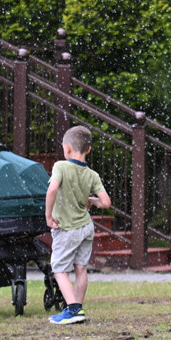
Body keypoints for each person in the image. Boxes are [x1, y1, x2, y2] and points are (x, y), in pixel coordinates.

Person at [45, 125, 110, 325]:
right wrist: (91, 200)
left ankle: (73, 310)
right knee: (81, 268)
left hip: (68, 229)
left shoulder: (60, 166)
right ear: (88, 150)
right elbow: (106, 203)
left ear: (67, 148)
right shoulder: (92, 174)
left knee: (59, 270)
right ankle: (77, 308)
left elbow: (52, 189)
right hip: (86, 228)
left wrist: (48, 215)